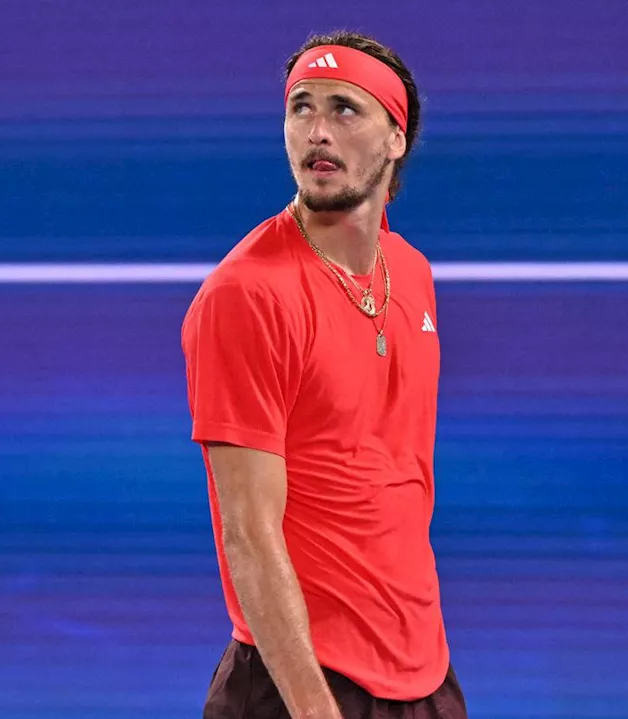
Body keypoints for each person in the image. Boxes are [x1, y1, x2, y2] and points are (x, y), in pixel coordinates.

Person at [181, 30, 466, 719]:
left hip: (423, 672)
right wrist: (312, 707)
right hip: (299, 684)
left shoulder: (415, 276)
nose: (316, 130)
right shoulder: (247, 296)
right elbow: (247, 530)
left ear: (396, 138)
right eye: (301, 107)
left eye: (345, 109)